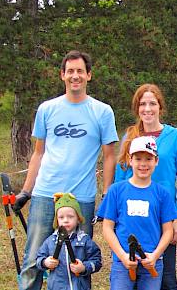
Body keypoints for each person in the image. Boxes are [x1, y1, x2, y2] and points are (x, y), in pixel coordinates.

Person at [15, 50, 119, 290]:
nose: (75, 76)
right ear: (62, 75)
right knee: (34, 260)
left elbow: (109, 156)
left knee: (78, 262)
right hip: (45, 194)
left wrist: (106, 196)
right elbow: (38, 153)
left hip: (81, 197)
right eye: (70, 71)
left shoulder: (102, 112)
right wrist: (26, 192)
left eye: (80, 71)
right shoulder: (47, 109)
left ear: (89, 75)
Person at [107, 83, 177, 290]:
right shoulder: (130, 137)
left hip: (163, 219)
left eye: (152, 103)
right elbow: (120, 178)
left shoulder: (176, 137)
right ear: (137, 108)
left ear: (160, 107)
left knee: (166, 278)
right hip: (132, 218)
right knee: (130, 276)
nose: (147, 108)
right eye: (142, 104)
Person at [99, 136, 177, 290]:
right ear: (130, 160)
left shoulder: (163, 194)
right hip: (123, 263)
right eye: (138, 158)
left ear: (156, 161)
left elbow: (168, 231)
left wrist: (154, 256)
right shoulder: (116, 190)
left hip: (152, 262)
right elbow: (107, 228)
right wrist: (122, 256)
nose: (143, 164)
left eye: (148, 159)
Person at [36, 192, 102, 290]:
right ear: (56, 220)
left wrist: (83, 268)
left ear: (78, 219)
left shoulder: (84, 240)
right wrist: (45, 262)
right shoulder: (50, 241)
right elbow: (38, 259)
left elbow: (97, 262)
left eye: (70, 216)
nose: (65, 220)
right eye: (61, 217)